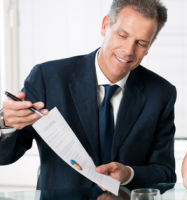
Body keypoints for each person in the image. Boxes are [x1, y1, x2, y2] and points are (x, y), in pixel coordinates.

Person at [0, 0, 176, 190]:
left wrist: (128, 174)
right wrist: (5, 123)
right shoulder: (48, 78)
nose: (128, 51)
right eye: (122, 35)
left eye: (141, 43)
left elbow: (165, 172)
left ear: (149, 46)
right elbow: (5, 157)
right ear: (105, 25)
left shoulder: (161, 93)